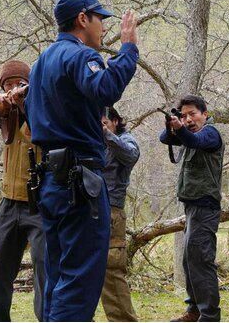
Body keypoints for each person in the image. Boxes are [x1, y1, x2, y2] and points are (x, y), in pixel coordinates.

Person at [24, 0, 139, 321]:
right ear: (82, 19)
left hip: (51, 180)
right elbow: (105, 89)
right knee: (80, 280)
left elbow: (32, 119)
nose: (103, 27)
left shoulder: (41, 63)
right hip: (80, 183)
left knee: (58, 276)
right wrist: (129, 48)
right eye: (100, 18)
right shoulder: (77, 56)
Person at [0, 60, 45, 321]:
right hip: (9, 205)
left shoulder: (44, 113)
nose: (14, 89)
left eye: (20, 84)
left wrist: (26, 100)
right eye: (8, 85)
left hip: (40, 205)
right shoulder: (4, 114)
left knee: (44, 270)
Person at [159, 95, 224, 322]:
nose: (188, 119)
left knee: (202, 260)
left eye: (192, 114)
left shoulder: (210, 133)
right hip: (192, 206)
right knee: (189, 260)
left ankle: (209, 315)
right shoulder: (188, 134)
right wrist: (172, 126)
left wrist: (181, 129)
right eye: (184, 115)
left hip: (206, 205)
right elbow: (163, 138)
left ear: (205, 114)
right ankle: (194, 309)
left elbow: (195, 142)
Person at [100, 106, 140, 322]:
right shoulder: (89, 139)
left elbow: (131, 155)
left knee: (111, 271)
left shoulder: (126, 139)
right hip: (86, 211)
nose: (102, 127)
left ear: (115, 121)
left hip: (112, 212)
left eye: (105, 123)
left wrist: (106, 134)